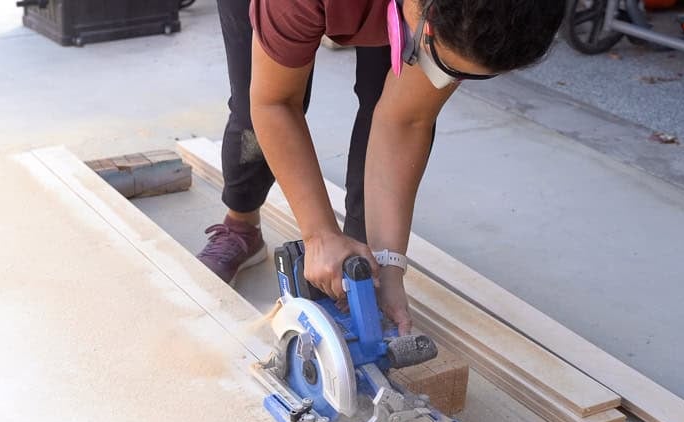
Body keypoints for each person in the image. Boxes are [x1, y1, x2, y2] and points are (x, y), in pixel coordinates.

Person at [197, 0, 566, 334]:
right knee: (253, 113)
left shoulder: (479, 16)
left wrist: (387, 267)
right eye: (444, 65)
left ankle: (358, 267)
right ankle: (241, 226)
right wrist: (318, 234)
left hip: (417, 19)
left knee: (387, 96)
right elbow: (275, 103)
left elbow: (405, 121)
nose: (445, 79)